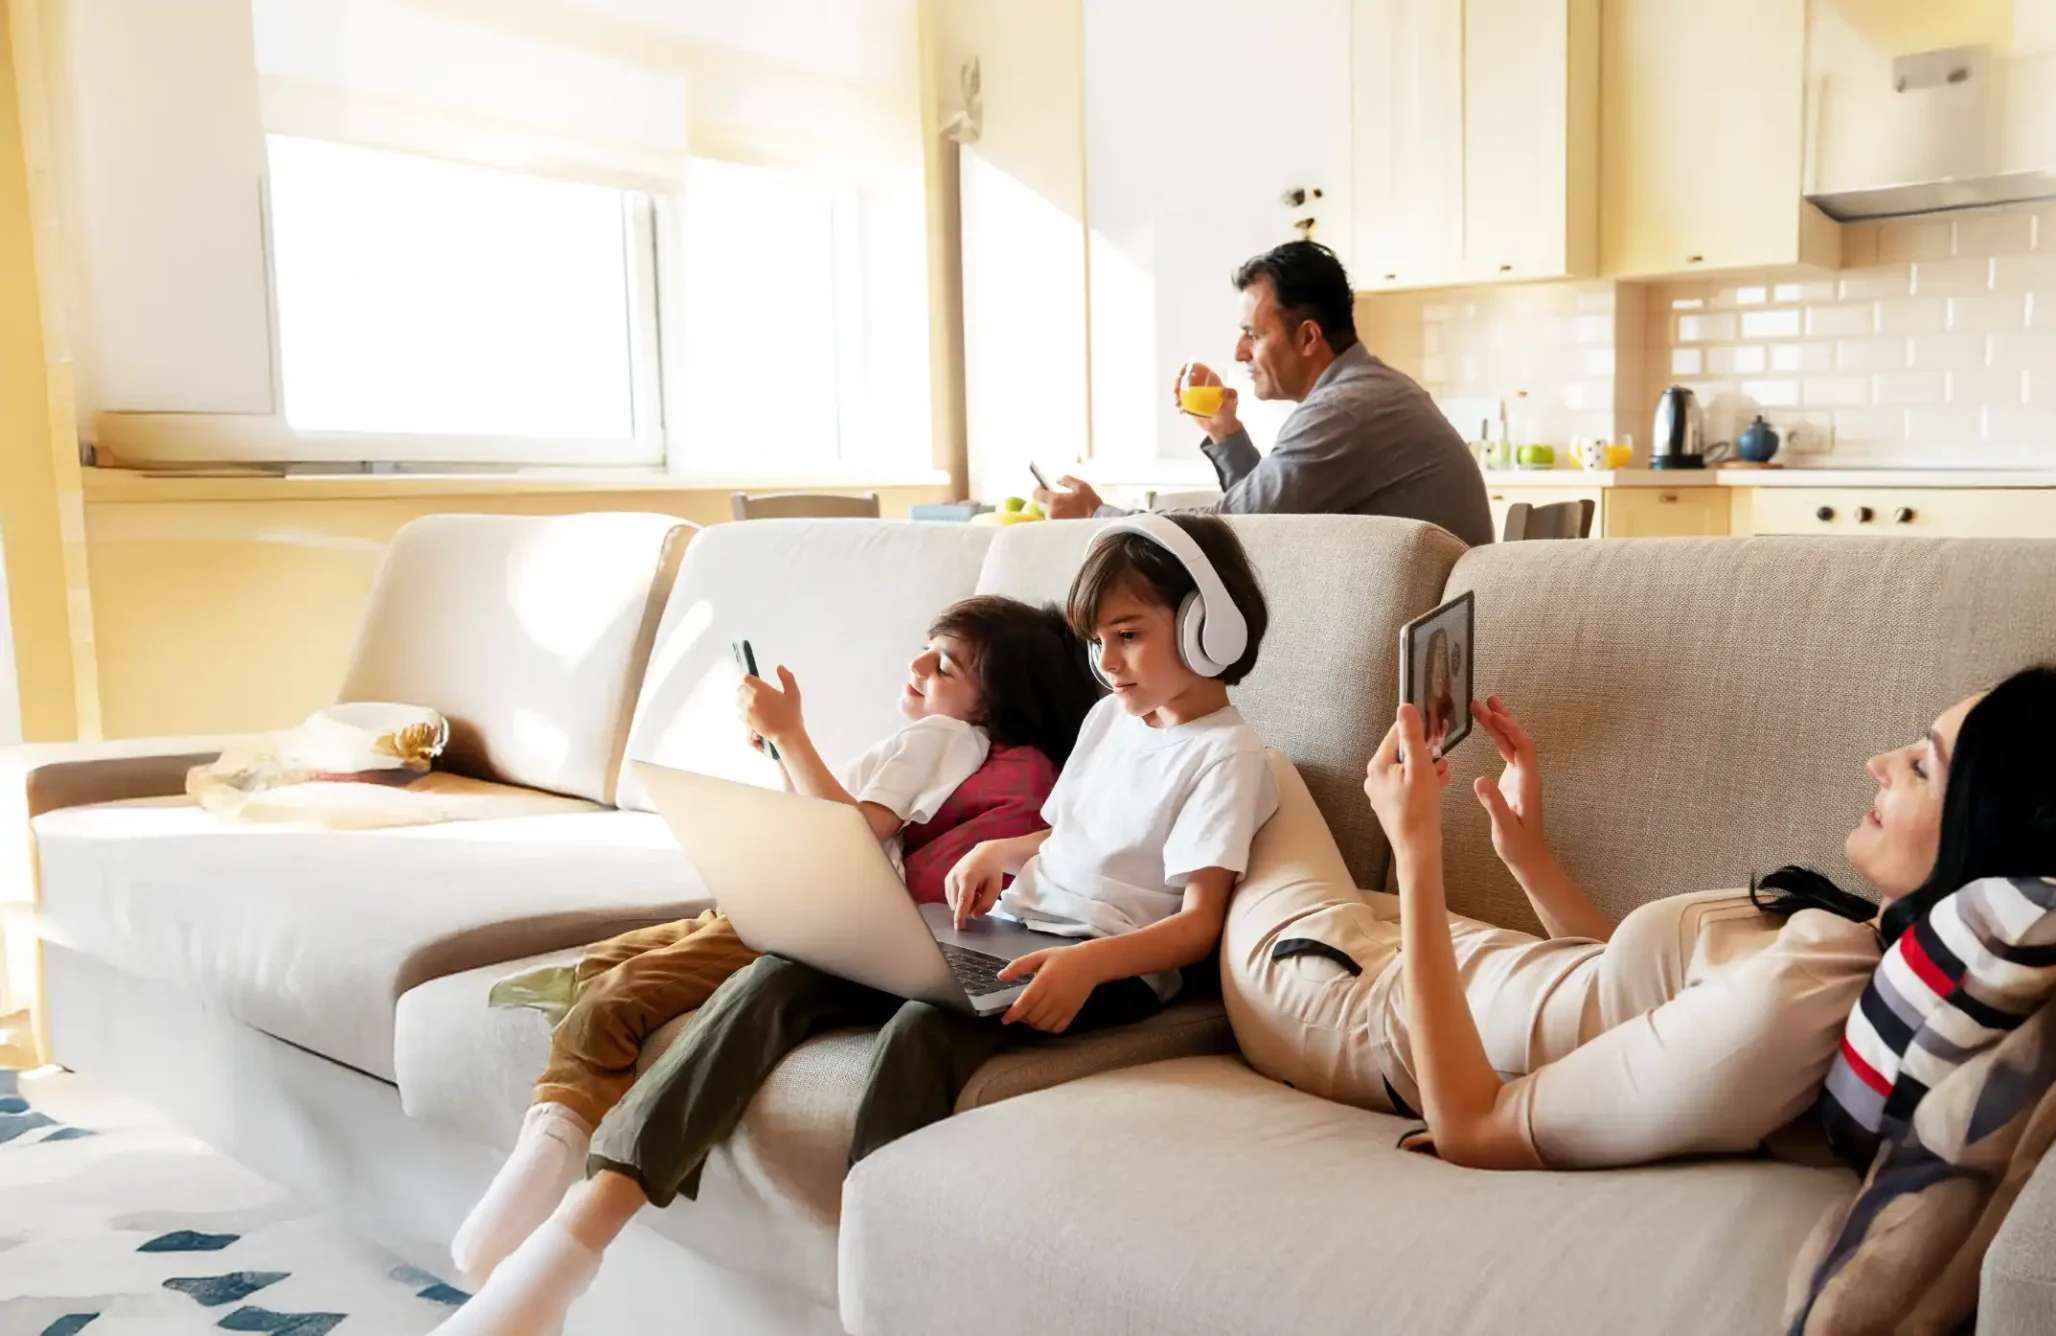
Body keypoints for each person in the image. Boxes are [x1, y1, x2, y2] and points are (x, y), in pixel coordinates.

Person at [435, 514, 1279, 1336]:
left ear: (1211, 628)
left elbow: (1198, 925)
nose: (1108, 664)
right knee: (781, 972)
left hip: (1106, 966)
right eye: (1097, 642)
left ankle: (873, 1289)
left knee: (920, 1029)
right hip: (1013, 932)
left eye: (1127, 635)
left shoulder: (1229, 757)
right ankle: (571, 1245)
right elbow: (1068, 833)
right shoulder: (1111, 722)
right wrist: (1008, 853)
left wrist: (1090, 968)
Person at [1223, 666, 2056, 1171]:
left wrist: (1418, 851)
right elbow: (1628, 1003)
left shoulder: (1794, 1007)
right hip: (1454, 962)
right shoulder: (1850, 950)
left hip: (1353, 1006)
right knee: (1245, 780)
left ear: (1985, 840)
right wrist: (1529, 855)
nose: (1878, 763)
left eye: (1919, 766)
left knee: (1253, 764)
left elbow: (1475, 1123)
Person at [445, 596, 1094, 1292]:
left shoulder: (941, 737)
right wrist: (784, 753)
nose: (916, 666)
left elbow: (849, 834)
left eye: (943, 665)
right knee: (606, 962)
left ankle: (551, 1150)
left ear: (989, 706)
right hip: (804, 896)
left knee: (617, 994)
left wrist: (792, 737)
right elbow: (829, 821)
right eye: (925, 648)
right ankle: (560, 1137)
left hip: (820, 911)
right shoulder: (962, 747)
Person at [1034, 240, 1496, 547]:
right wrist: (1225, 432)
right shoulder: (1368, 390)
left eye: (1252, 335)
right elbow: (1270, 520)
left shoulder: (1344, 410)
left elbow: (1232, 526)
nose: (1239, 353)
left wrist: (1095, 515)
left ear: (1309, 337)